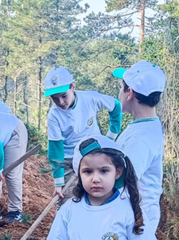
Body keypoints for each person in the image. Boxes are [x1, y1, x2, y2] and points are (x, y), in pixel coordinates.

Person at [113, 60, 166, 240]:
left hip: (135, 224)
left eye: (121, 88)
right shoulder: (146, 126)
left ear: (130, 92)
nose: (119, 94)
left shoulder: (141, 139)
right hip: (138, 219)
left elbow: (124, 179)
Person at [44, 67, 122, 200]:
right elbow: (56, 150)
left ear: (73, 87)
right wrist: (58, 182)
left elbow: (115, 106)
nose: (61, 102)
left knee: (97, 195)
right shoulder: (54, 115)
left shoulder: (90, 98)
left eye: (64, 96)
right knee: (68, 199)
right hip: (68, 159)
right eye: (55, 99)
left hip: (93, 153)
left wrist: (111, 137)